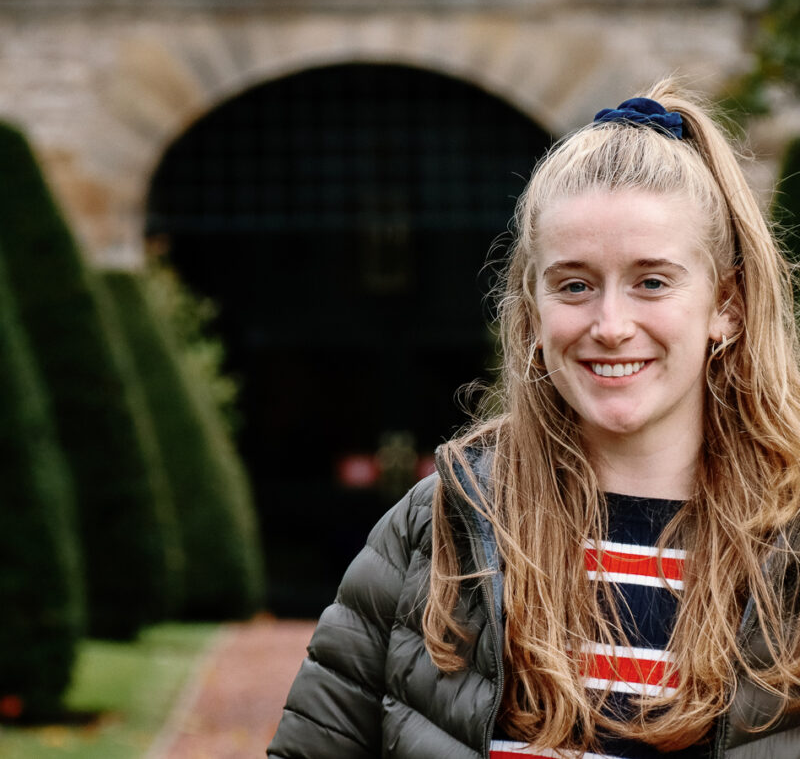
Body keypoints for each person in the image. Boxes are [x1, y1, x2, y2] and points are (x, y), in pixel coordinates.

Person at [267, 79, 800, 758]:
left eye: (652, 282)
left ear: (727, 305)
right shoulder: (438, 528)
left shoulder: (790, 545)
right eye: (574, 284)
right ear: (533, 310)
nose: (610, 325)